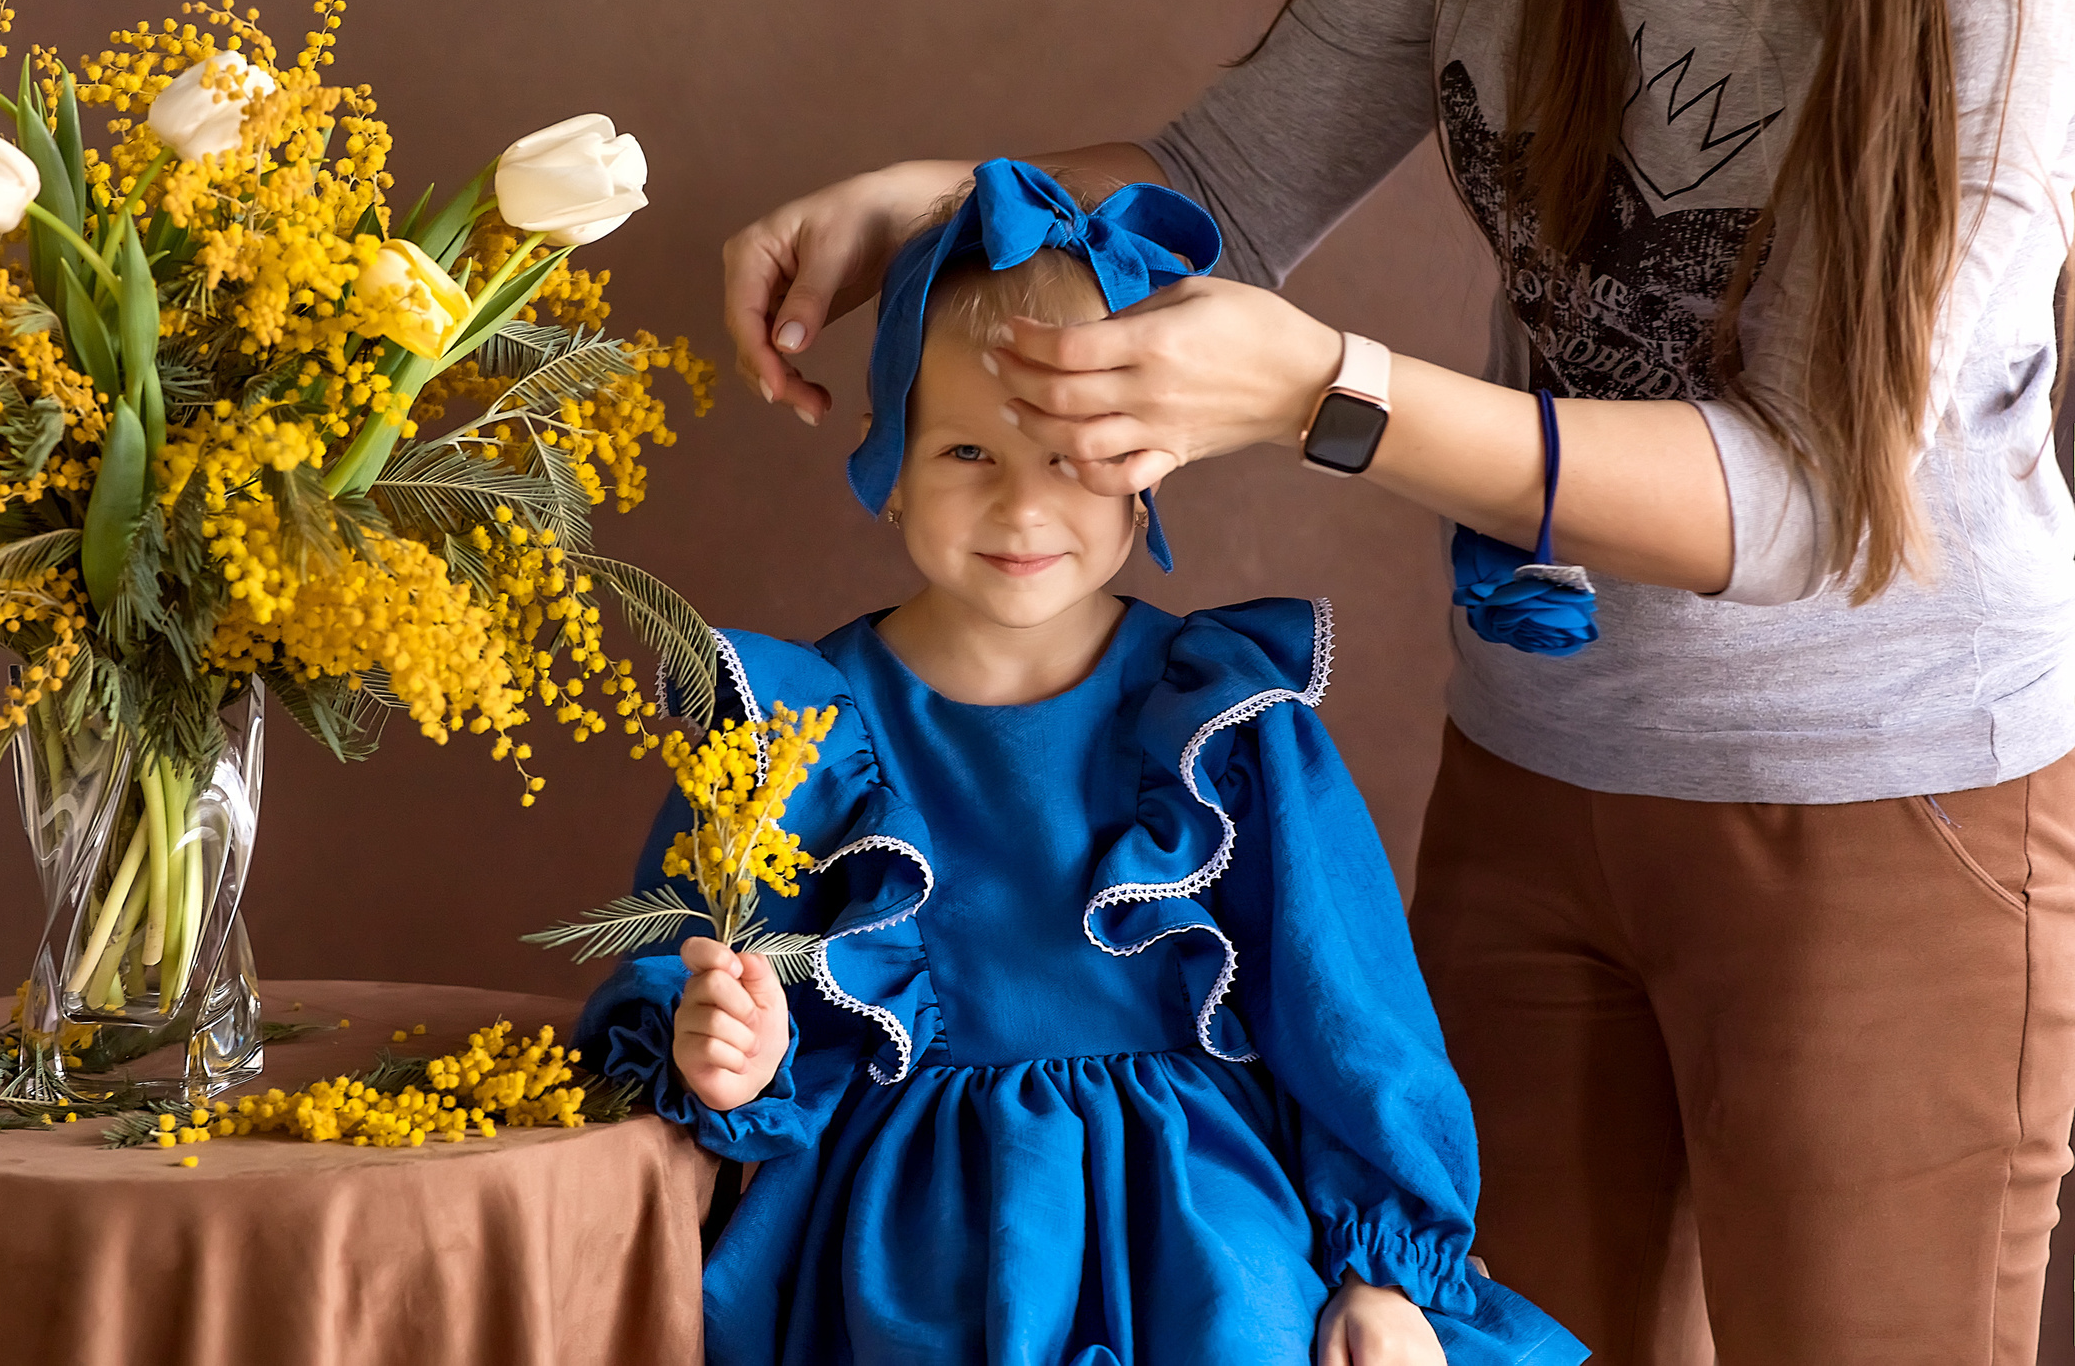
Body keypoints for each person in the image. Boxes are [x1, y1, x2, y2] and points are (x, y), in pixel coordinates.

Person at [714, 0, 2075, 1361]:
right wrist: (959, 202)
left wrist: (1326, 393)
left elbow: (1804, 503)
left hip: (1887, 809)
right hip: (1539, 784)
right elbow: (1221, 189)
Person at [579, 161, 1587, 1366]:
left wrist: (1385, 1274)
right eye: (965, 452)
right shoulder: (791, 727)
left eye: (1070, 457)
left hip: (1198, 1239)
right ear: (886, 456)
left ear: (1147, 467)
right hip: (898, 1243)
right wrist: (730, 1052)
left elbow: (1346, 1013)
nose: (1022, 509)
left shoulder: (1223, 720)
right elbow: (691, 967)